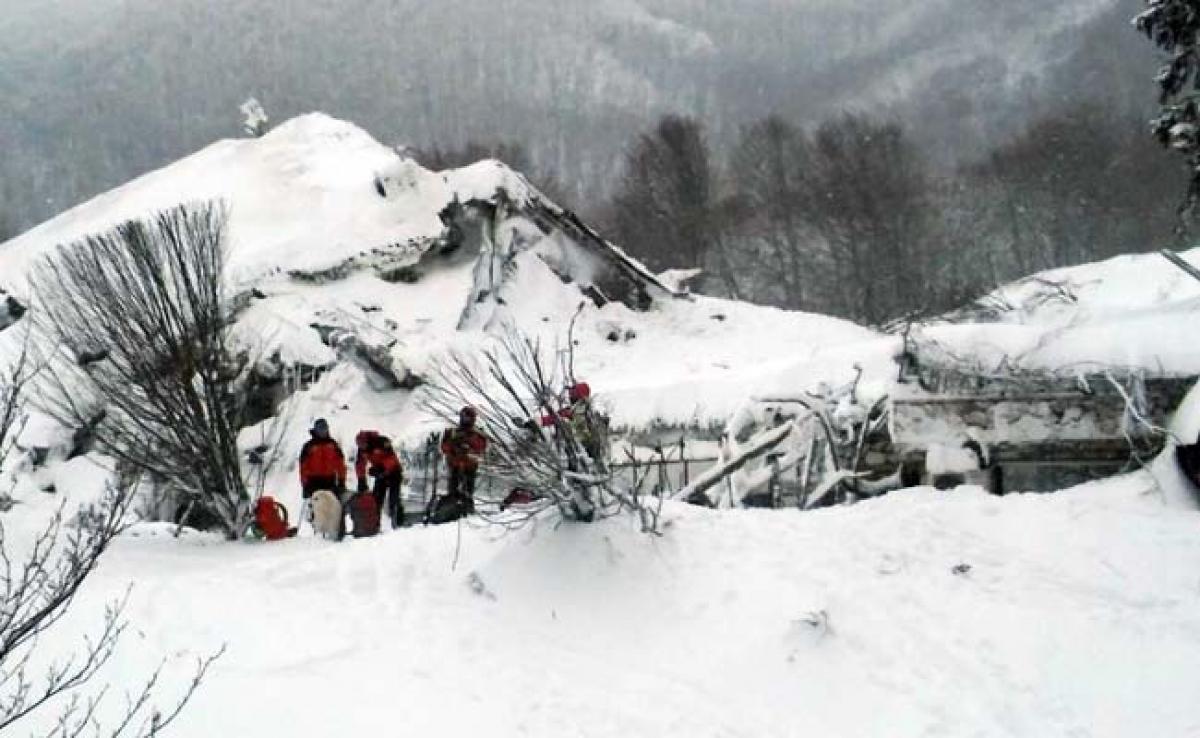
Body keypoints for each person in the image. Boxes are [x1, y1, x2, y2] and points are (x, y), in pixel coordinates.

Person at [439, 406, 487, 515]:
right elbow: (444, 447)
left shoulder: (478, 433)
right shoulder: (452, 432)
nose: (466, 420)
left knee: (468, 491)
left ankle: (468, 511)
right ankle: (452, 511)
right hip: (455, 465)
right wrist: (454, 447)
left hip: (469, 466)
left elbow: (481, 447)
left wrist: (468, 446)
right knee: (453, 490)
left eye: (469, 418)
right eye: (464, 417)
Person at [355, 430, 405, 528]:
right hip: (380, 475)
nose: (362, 447)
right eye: (359, 445)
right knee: (376, 500)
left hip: (394, 473)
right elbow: (360, 465)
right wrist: (361, 480)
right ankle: (374, 525)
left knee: (394, 500)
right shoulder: (362, 450)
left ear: (367, 441)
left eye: (363, 444)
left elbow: (392, 459)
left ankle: (398, 523)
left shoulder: (381, 442)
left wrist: (381, 468)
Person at [299, 418, 348, 501]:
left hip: (330, 480)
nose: (323, 431)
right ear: (316, 430)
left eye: (325, 428)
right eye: (320, 429)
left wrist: (341, 480)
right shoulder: (309, 446)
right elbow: (303, 467)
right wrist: (305, 485)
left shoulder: (333, 444)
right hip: (313, 482)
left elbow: (340, 464)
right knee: (316, 509)